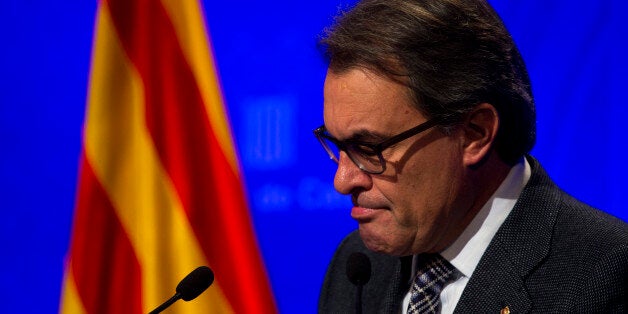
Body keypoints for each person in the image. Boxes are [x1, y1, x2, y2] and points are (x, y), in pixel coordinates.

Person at [314, 0, 628, 313]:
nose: (342, 181)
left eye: (369, 148)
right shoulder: (356, 266)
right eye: (337, 145)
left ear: (475, 133)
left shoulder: (604, 275)